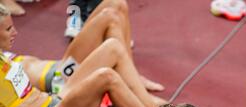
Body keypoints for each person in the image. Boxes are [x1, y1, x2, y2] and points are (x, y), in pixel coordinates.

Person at [0, 4, 156, 107]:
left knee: (112, 47)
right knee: (106, 76)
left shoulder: (3, 56)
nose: (15, 32)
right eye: (8, 29)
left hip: (55, 100)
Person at [5, 0, 164, 96]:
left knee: (117, 4)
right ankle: (140, 92)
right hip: (60, 77)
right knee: (110, 21)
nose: (15, 32)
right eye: (7, 30)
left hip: (60, 67)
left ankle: (133, 78)